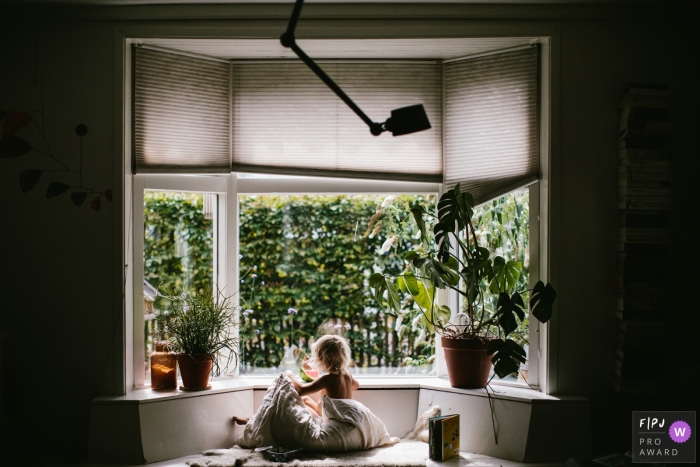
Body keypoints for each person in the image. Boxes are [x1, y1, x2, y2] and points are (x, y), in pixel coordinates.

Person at [284, 334, 360, 418]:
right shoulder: (347, 374)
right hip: (341, 415)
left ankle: (317, 419)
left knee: (298, 402)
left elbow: (301, 390)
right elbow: (356, 386)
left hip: (332, 419)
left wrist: (289, 374)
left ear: (321, 359)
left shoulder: (327, 379)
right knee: (305, 399)